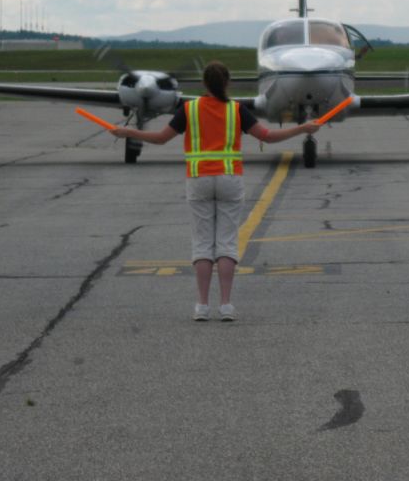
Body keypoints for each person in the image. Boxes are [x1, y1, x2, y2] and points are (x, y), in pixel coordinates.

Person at [110, 61, 321, 322]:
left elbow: (161, 138)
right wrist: (303, 128)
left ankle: (201, 305)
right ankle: (226, 305)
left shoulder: (189, 109)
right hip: (229, 179)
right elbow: (267, 136)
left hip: (199, 179)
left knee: (202, 243)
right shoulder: (237, 110)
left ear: (205, 84)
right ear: (227, 83)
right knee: (227, 243)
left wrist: (127, 131)